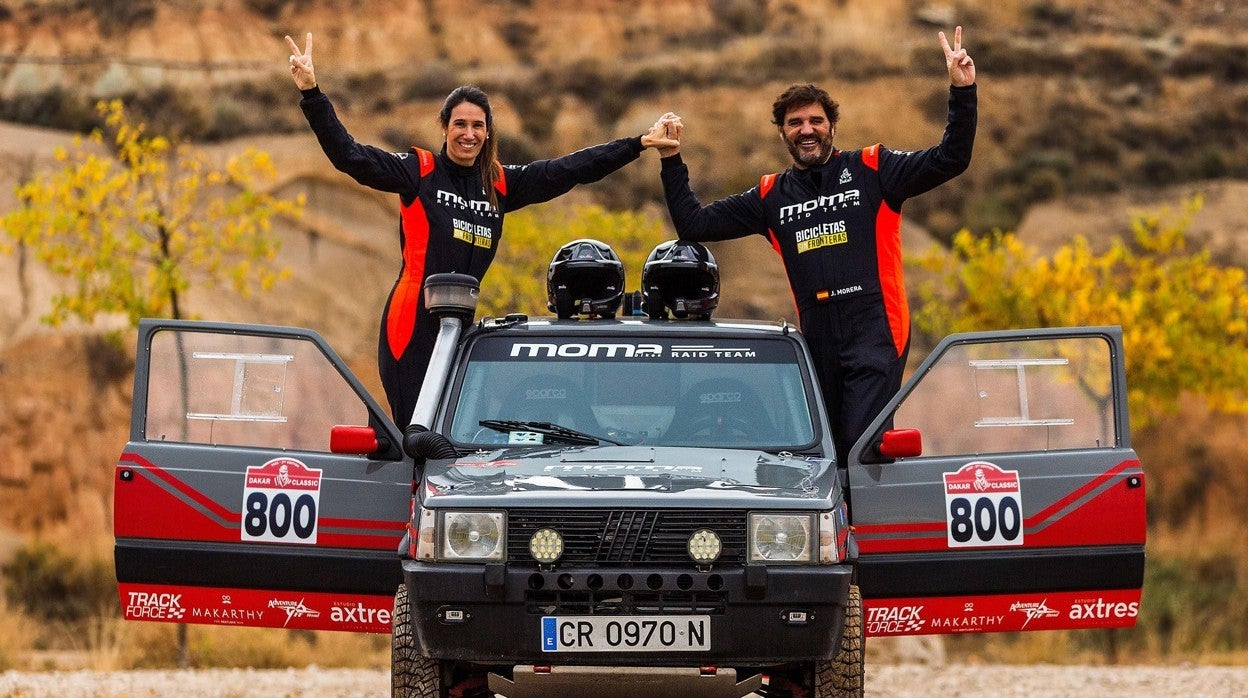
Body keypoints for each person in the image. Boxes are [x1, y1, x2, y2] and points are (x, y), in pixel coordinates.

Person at [284, 33, 679, 426]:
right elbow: (349, 155)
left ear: (488, 131)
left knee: (452, 436)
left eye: (477, 125)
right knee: (413, 434)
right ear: (444, 126)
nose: (468, 133)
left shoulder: (500, 185)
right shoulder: (418, 171)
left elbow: (570, 169)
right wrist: (312, 93)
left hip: (462, 331)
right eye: (459, 124)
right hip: (412, 326)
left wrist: (637, 143)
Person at [657, 27, 976, 465]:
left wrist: (962, 91)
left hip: (876, 331)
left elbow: (950, 159)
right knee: (822, 453)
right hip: (817, 337)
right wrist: (671, 159)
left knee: (858, 447)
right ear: (783, 133)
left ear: (831, 126)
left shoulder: (873, 168)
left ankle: (861, 532)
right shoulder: (770, 196)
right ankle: (829, 531)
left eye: (815, 121)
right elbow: (693, 223)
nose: (807, 130)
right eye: (795, 123)